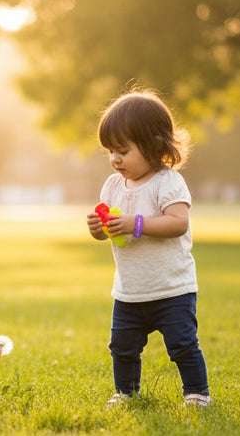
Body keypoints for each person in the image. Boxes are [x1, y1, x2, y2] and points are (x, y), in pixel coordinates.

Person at [85, 87, 211, 408]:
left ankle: (197, 393)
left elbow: (177, 222)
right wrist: (99, 230)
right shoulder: (113, 186)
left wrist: (135, 223)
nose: (115, 159)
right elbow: (114, 233)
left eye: (123, 150)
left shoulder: (167, 182)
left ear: (154, 145)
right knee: (122, 347)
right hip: (130, 290)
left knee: (183, 344)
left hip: (172, 288)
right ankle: (126, 393)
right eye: (110, 151)